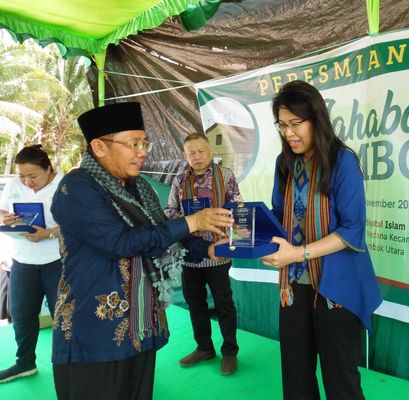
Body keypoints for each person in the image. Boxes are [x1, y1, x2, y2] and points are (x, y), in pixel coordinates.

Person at [50, 102, 233, 400]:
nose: (143, 151)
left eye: (144, 142)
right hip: (95, 332)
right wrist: (192, 222)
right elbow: (121, 242)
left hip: (139, 325)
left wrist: (207, 248)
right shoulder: (77, 188)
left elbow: (163, 233)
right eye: (133, 143)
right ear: (99, 147)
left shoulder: (140, 187)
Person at [261, 80, 382, 400]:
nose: (288, 133)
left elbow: (353, 228)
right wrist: (250, 235)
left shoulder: (342, 161)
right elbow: (278, 213)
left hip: (337, 287)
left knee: (339, 377)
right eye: (282, 125)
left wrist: (298, 254)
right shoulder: (284, 163)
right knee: (296, 376)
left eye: (296, 123)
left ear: (316, 118)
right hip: (294, 286)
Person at [164, 132, 241, 375]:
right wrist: (192, 221)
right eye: (191, 153)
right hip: (190, 255)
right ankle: (204, 348)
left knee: (224, 304)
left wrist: (227, 238)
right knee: (194, 303)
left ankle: (230, 352)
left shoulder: (225, 175)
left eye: (201, 151)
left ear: (210, 152)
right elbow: (168, 212)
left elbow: (238, 210)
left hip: (218, 253)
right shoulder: (179, 180)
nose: (197, 157)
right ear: (184, 155)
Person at [0, 145, 62, 383]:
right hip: (22, 261)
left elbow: (79, 225)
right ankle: (25, 363)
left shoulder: (65, 185)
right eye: (21, 176)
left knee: (64, 316)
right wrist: (5, 218)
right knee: (22, 314)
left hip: (57, 261)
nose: (26, 181)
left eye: (32, 176)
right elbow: (2, 209)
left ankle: (69, 365)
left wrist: (48, 233)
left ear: (49, 169)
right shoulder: (16, 185)